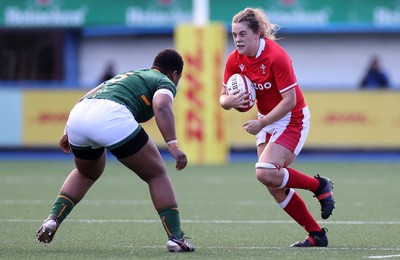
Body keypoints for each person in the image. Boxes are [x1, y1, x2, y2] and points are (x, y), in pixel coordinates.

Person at [35, 48, 195, 253]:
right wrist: (173, 145)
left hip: (79, 115)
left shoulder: (129, 75)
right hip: (110, 114)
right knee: (156, 174)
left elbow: (85, 97)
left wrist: (67, 129)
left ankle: (53, 219)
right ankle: (176, 238)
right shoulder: (164, 81)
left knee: (86, 172)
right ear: (175, 75)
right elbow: (162, 106)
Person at [219, 8, 335, 247]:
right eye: (234, 35)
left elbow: (290, 100)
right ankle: (317, 235)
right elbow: (223, 97)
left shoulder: (275, 56)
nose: (237, 40)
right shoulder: (234, 59)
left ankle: (319, 185)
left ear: (257, 34)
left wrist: (261, 123)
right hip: (267, 118)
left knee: (265, 171)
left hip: (292, 118)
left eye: (242, 34)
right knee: (272, 183)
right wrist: (227, 102)